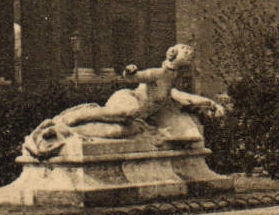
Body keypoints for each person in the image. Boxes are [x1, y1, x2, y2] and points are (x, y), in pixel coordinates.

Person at [24, 43, 223, 159]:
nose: (191, 56)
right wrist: (130, 72)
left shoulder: (172, 79)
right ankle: (74, 117)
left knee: (117, 132)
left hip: (138, 119)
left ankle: (65, 132)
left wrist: (210, 103)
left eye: (191, 54)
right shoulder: (159, 73)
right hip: (129, 100)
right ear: (175, 56)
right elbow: (135, 78)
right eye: (187, 53)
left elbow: (180, 96)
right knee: (124, 113)